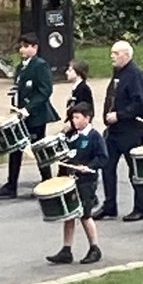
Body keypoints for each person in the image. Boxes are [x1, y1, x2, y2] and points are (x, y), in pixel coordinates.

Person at [0, 33, 59, 199]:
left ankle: (47, 181)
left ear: (35, 48)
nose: (23, 49)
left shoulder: (40, 65)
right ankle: (11, 185)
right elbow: (20, 87)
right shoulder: (22, 67)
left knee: (38, 149)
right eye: (22, 46)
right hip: (21, 115)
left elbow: (45, 91)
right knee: (16, 149)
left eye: (27, 46)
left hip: (36, 116)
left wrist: (28, 108)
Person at [45, 104, 105, 265]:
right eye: (73, 117)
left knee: (85, 215)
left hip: (86, 181)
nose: (74, 121)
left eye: (77, 117)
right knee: (69, 214)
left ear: (88, 118)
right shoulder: (72, 136)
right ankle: (66, 250)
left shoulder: (94, 136)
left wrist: (89, 167)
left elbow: (103, 158)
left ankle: (95, 248)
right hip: (71, 181)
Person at [96, 40, 143, 221]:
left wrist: (120, 115)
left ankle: (141, 207)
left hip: (131, 130)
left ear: (126, 55)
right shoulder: (117, 73)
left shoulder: (135, 74)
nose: (112, 56)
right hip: (113, 131)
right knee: (107, 166)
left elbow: (139, 103)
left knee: (134, 170)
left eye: (116, 53)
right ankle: (109, 205)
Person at [63, 60, 93, 131]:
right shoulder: (76, 88)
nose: (66, 72)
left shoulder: (83, 89)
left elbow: (84, 109)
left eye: (70, 70)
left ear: (78, 73)